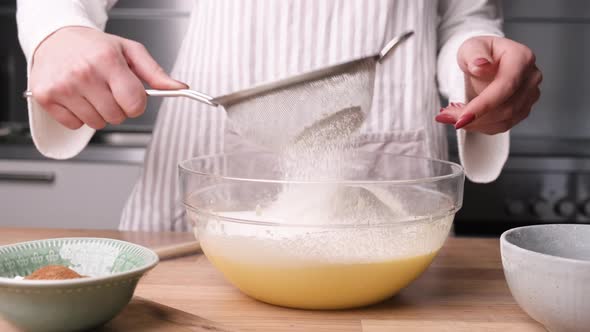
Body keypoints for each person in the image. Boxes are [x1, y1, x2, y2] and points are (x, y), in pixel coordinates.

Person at [17, 0, 542, 231]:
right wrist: (58, 29)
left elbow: (463, 13)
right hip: (200, 176)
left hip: (391, 191)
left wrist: (477, 66)